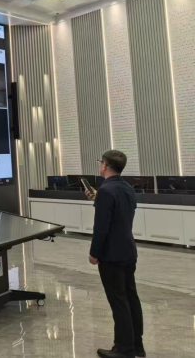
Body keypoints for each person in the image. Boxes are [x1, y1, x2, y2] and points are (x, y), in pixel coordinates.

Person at [85, 150, 145, 358]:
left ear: (104, 165)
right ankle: (137, 346)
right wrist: (96, 199)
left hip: (111, 254)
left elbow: (102, 226)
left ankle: (123, 349)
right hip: (128, 251)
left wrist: (94, 252)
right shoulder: (127, 187)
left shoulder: (106, 190)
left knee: (118, 301)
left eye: (100, 162)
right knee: (131, 297)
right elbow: (118, 213)